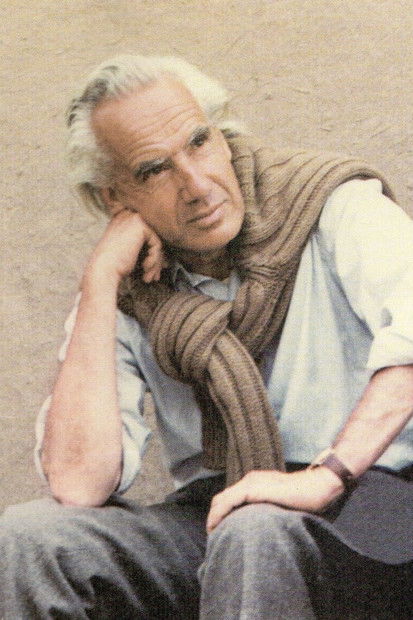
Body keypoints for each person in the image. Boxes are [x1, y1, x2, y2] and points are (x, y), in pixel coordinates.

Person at [1, 53, 412, 619]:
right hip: (221, 516)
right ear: (113, 197)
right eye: (154, 169)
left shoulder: (329, 201)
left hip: (376, 505)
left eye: (199, 141)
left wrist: (327, 476)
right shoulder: (128, 284)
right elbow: (79, 483)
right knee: (30, 539)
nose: (196, 185)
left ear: (222, 131)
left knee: (255, 530)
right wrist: (99, 283)